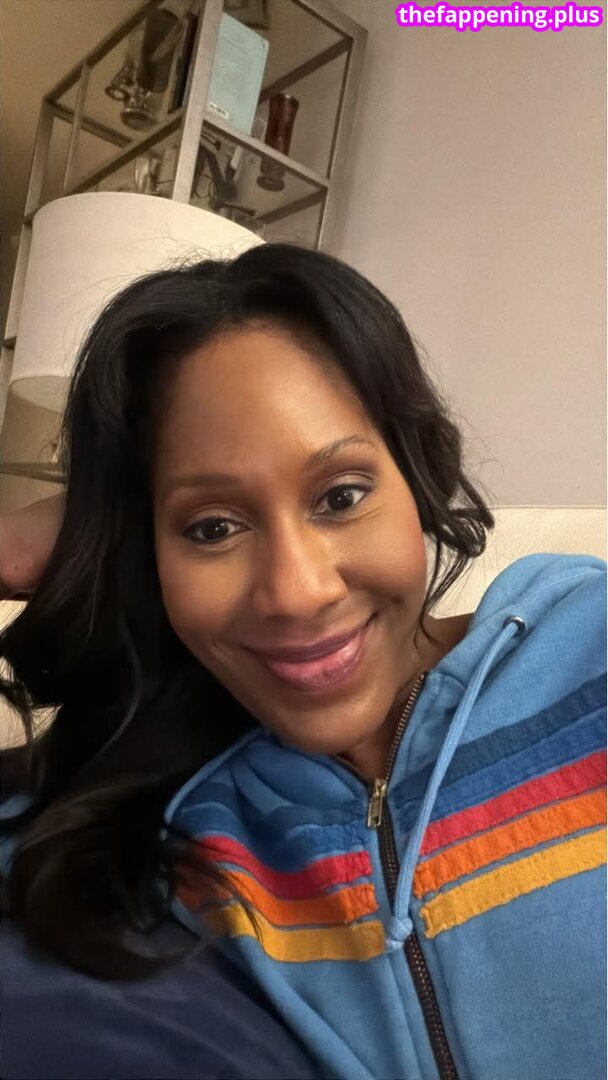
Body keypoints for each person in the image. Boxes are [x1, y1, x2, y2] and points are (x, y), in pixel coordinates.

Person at [0, 243, 605, 1080]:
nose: (296, 591)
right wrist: (53, 532)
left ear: (417, 475)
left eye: (341, 496)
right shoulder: (174, 819)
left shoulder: (588, 652)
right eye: (212, 527)